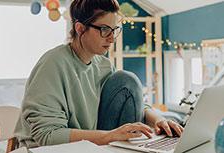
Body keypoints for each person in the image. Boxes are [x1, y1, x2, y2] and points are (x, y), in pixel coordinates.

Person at [14, 0, 183, 148]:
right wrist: (110, 136)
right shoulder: (53, 64)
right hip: (41, 149)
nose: (111, 38)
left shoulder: (102, 64)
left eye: (114, 30)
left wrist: (159, 120)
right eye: (104, 29)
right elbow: (47, 135)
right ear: (80, 29)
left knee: (127, 80)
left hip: (87, 143)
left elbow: (133, 98)